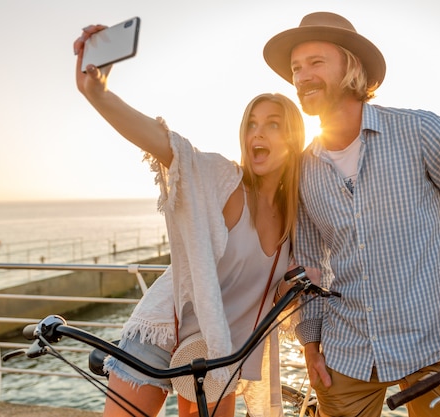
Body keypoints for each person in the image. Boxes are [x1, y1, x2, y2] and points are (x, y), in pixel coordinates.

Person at [263, 12, 440, 417]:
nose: (302, 77)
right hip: (345, 354)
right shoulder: (303, 169)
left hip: (434, 346)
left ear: (352, 68)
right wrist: (310, 347)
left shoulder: (420, 131)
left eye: (316, 63)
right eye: (296, 68)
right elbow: (310, 268)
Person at [74, 25, 307, 417]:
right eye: (251, 123)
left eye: (272, 124)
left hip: (214, 353)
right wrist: (97, 93)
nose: (257, 133)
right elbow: (166, 145)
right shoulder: (223, 179)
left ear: (293, 139)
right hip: (161, 332)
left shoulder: (294, 219)